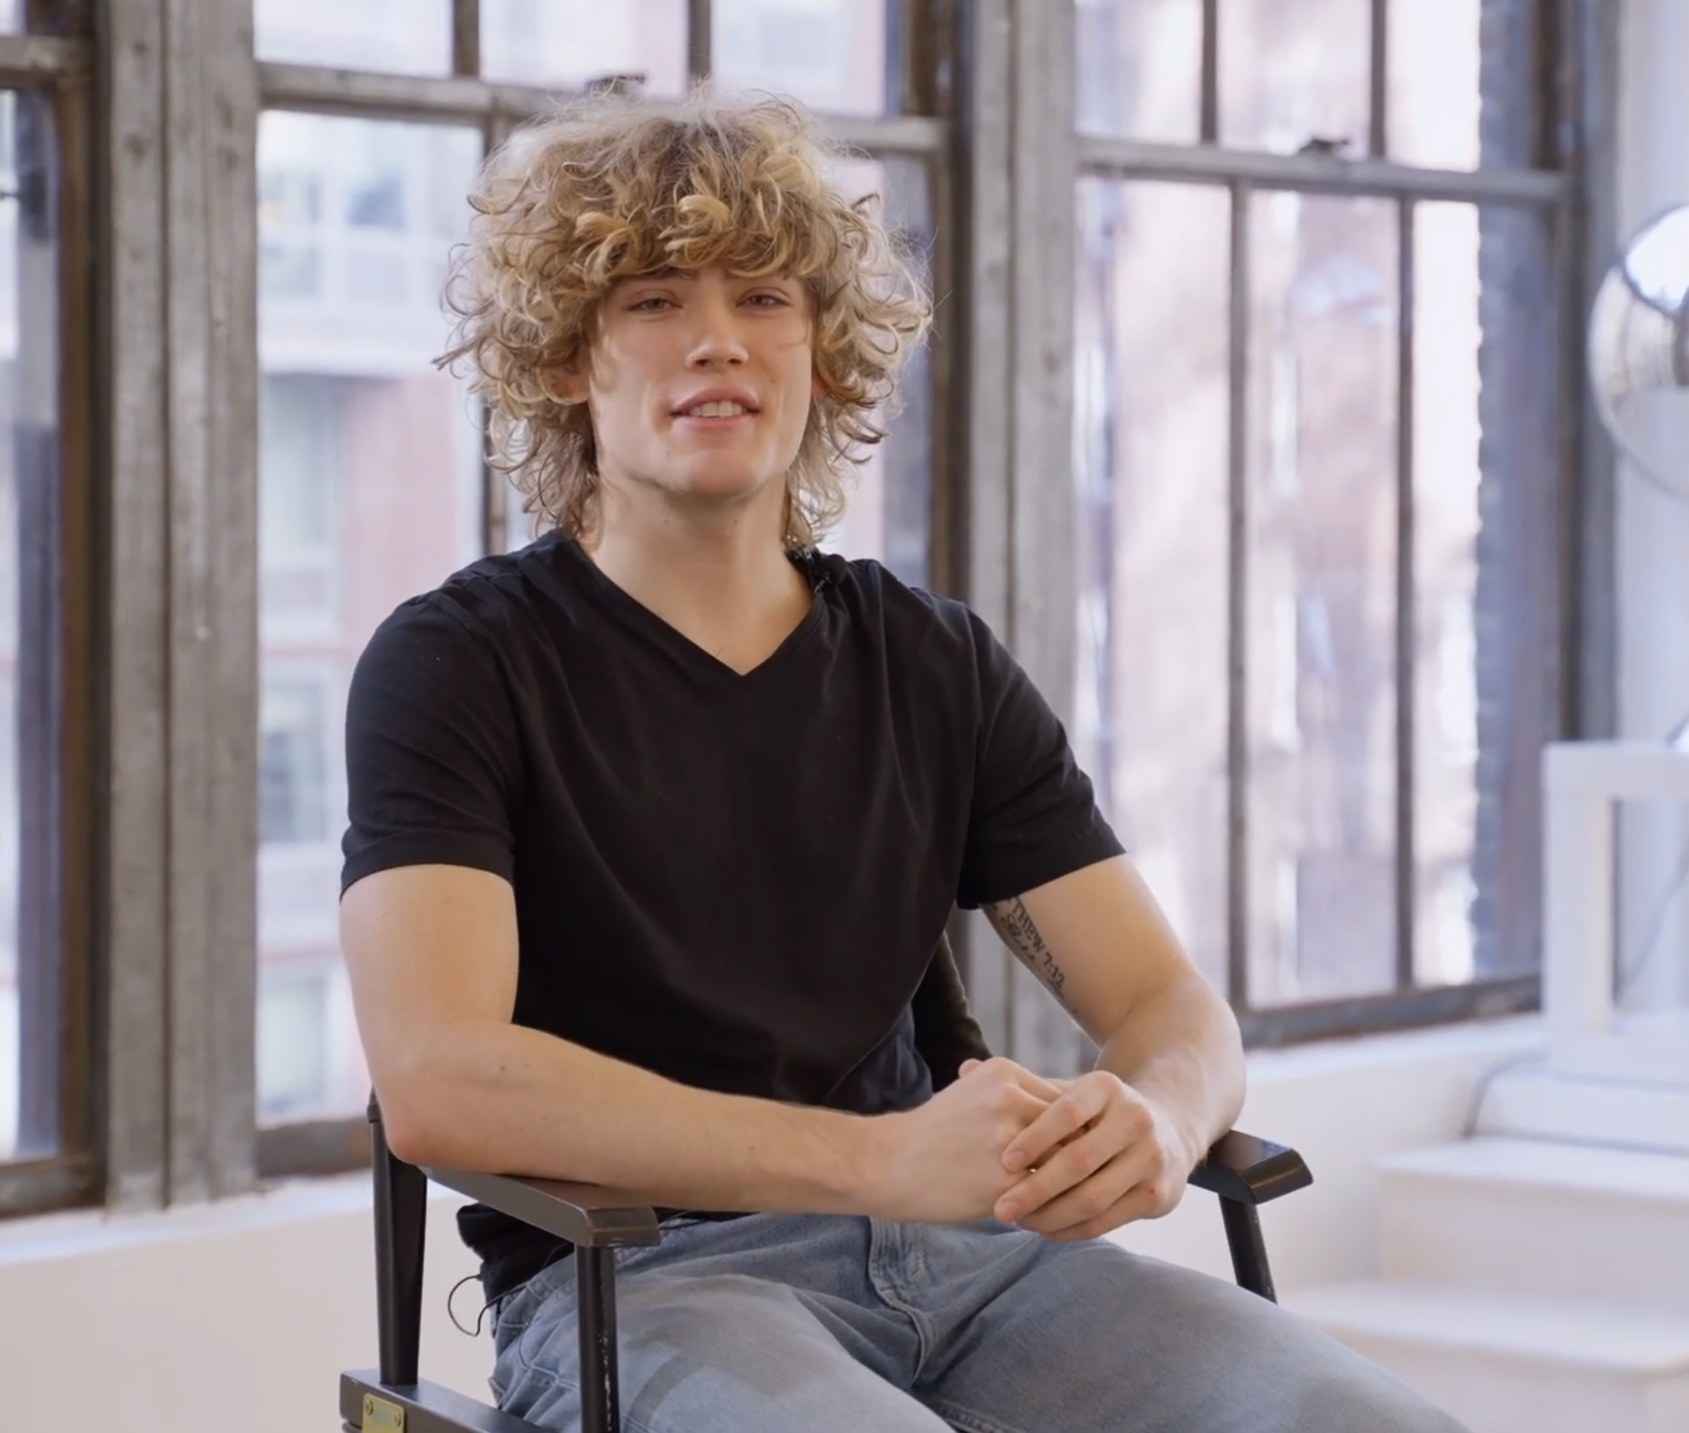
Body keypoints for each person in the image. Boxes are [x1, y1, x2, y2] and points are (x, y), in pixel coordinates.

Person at [337, 90, 1468, 1433]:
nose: (718, 338)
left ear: (821, 353)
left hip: (985, 1264)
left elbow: (1169, 1002)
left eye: (765, 297)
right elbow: (439, 1082)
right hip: (645, 1281)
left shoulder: (933, 662)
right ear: (569, 359)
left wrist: (1159, 1118)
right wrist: (880, 1161)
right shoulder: (459, 663)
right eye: (653, 300)